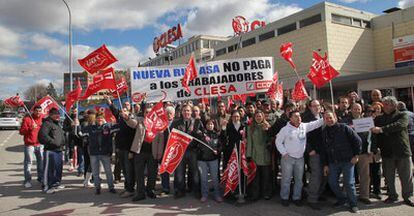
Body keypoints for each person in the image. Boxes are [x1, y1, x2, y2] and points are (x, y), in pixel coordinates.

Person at [276, 109, 324, 207]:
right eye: (296, 116)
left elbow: (315, 124)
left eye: (299, 116)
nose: (299, 118)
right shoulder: (285, 129)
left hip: (300, 159)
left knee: (299, 180)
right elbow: (278, 142)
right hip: (287, 159)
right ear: (290, 118)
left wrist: (327, 115)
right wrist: (284, 153)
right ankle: (284, 197)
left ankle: (296, 198)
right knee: (286, 179)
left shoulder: (303, 126)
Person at [371, 96, 414, 206]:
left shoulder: (402, 115)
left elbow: (400, 125)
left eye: (387, 104)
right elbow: (374, 135)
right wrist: (375, 148)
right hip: (387, 152)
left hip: (402, 151)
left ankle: (408, 196)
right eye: (384, 104)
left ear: (394, 105)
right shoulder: (378, 118)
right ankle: (392, 195)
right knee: (389, 176)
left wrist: (382, 129)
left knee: (406, 176)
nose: (384, 106)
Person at [321, 111, 362, 213]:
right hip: (333, 161)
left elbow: (357, 141)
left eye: (330, 117)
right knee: (332, 182)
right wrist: (325, 164)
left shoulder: (344, 128)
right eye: (326, 118)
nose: (329, 120)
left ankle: (353, 204)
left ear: (335, 117)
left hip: (347, 160)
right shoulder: (324, 131)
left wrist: (356, 155)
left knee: (349, 183)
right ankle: (342, 198)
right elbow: (324, 150)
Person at [343, 103, 376, 204]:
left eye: (358, 109)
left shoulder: (367, 121)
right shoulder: (345, 121)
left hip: (364, 152)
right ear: (351, 109)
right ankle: (346, 195)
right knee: (348, 175)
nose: (356, 110)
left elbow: (372, 137)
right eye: (354, 109)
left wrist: (371, 150)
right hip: (349, 153)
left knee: (365, 175)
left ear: (361, 110)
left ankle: (364, 195)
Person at [79, 112, 118, 195]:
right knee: (95, 172)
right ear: (95, 119)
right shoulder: (90, 128)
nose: (99, 119)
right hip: (94, 153)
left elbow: (118, 128)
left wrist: (115, 122)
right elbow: (80, 133)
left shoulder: (108, 126)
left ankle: (111, 187)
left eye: (101, 118)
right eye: (98, 118)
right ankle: (97, 187)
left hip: (105, 153)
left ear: (103, 119)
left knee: (108, 172)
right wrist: (76, 125)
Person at [105, 95, 136, 198]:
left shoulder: (132, 119)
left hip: (128, 149)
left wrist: (132, 151)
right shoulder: (119, 118)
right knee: (124, 170)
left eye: (126, 109)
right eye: (122, 108)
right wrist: (109, 101)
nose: (124, 110)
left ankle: (130, 189)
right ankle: (127, 188)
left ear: (130, 110)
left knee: (129, 170)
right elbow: (114, 110)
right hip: (120, 148)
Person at [171, 104, 204, 199]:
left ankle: (197, 191)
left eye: (188, 111)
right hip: (180, 151)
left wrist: (197, 132)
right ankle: (180, 191)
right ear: (182, 112)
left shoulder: (196, 122)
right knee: (179, 173)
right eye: (185, 110)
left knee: (195, 172)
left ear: (191, 112)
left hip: (192, 151)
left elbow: (201, 136)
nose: (186, 112)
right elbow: (172, 137)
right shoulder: (175, 123)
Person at [301, 100, 326, 210]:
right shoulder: (305, 118)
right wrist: (309, 149)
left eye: (318, 105)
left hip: (325, 151)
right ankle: (312, 199)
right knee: (316, 174)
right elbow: (302, 136)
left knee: (325, 174)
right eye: (314, 106)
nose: (316, 107)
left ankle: (317, 193)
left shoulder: (324, 116)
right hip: (314, 151)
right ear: (310, 107)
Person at [38, 108, 66, 194]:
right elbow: (42, 136)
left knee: (58, 169)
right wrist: (53, 142)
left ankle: (55, 183)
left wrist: (62, 144)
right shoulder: (47, 123)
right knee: (49, 169)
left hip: (59, 150)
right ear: (50, 115)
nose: (58, 116)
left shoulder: (57, 124)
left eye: (58, 114)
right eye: (55, 114)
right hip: (50, 150)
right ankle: (47, 186)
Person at [246, 110, 272, 201]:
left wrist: (268, 130)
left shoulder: (267, 125)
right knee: (255, 177)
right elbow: (249, 142)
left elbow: (271, 139)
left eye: (260, 116)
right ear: (254, 117)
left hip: (265, 155)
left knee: (266, 176)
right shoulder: (250, 128)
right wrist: (248, 156)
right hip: (255, 155)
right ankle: (255, 194)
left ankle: (266, 193)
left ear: (263, 117)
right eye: (257, 116)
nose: (258, 118)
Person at [197, 119, 223, 203]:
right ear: (206, 125)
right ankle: (204, 195)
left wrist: (218, 151)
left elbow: (220, 146)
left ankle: (217, 195)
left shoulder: (217, 135)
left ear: (214, 125)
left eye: (211, 124)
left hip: (213, 160)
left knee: (215, 178)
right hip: (202, 160)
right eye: (208, 124)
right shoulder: (201, 135)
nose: (210, 126)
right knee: (203, 179)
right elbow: (196, 145)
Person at [20, 105, 44, 188]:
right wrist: (30, 128)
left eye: (39, 111)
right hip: (29, 145)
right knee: (28, 163)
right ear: (33, 111)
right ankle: (27, 180)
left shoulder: (43, 119)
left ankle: (40, 178)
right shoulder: (27, 119)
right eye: (36, 111)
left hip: (40, 144)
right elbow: (21, 131)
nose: (38, 112)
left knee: (41, 163)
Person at [153, 105, 175, 194]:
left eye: (170, 114)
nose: (169, 115)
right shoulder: (161, 124)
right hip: (163, 150)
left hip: (173, 150)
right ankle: (165, 187)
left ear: (173, 115)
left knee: (175, 169)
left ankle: (178, 187)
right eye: (167, 113)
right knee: (164, 170)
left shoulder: (177, 123)